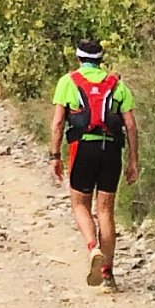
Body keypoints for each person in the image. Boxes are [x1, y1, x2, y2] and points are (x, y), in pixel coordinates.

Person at [49, 38, 140, 288]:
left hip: (83, 147)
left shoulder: (68, 82)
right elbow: (130, 125)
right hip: (111, 149)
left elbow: (58, 122)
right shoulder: (117, 84)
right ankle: (108, 274)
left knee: (80, 204)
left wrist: (54, 156)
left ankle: (92, 248)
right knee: (106, 211)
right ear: (101, 60)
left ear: (79, 59)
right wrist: (133, 159)